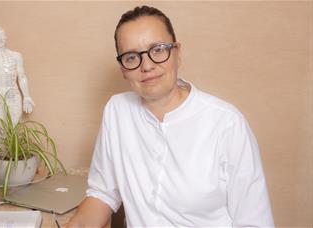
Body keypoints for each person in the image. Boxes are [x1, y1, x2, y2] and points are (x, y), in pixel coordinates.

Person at [67, 5, 274, 227]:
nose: (146, 66)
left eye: (157, 50)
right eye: (131, 57)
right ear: (123, 68)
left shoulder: (227, 124)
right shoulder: (117, 111)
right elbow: (103, 193)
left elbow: (254, 222)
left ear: (177, 52)